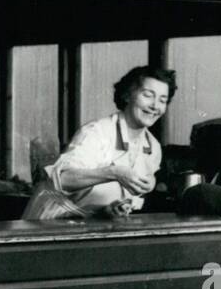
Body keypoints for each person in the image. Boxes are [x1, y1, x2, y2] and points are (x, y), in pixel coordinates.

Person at [23, 65, 176, 220]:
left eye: (162, 100)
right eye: (148, 95)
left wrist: (112, 209)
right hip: (46, 224)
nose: (155, 106)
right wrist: (114, 173)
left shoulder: (152, 147)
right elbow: (62, 179)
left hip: (89, 226)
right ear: (127, 95)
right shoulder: (97, 133)